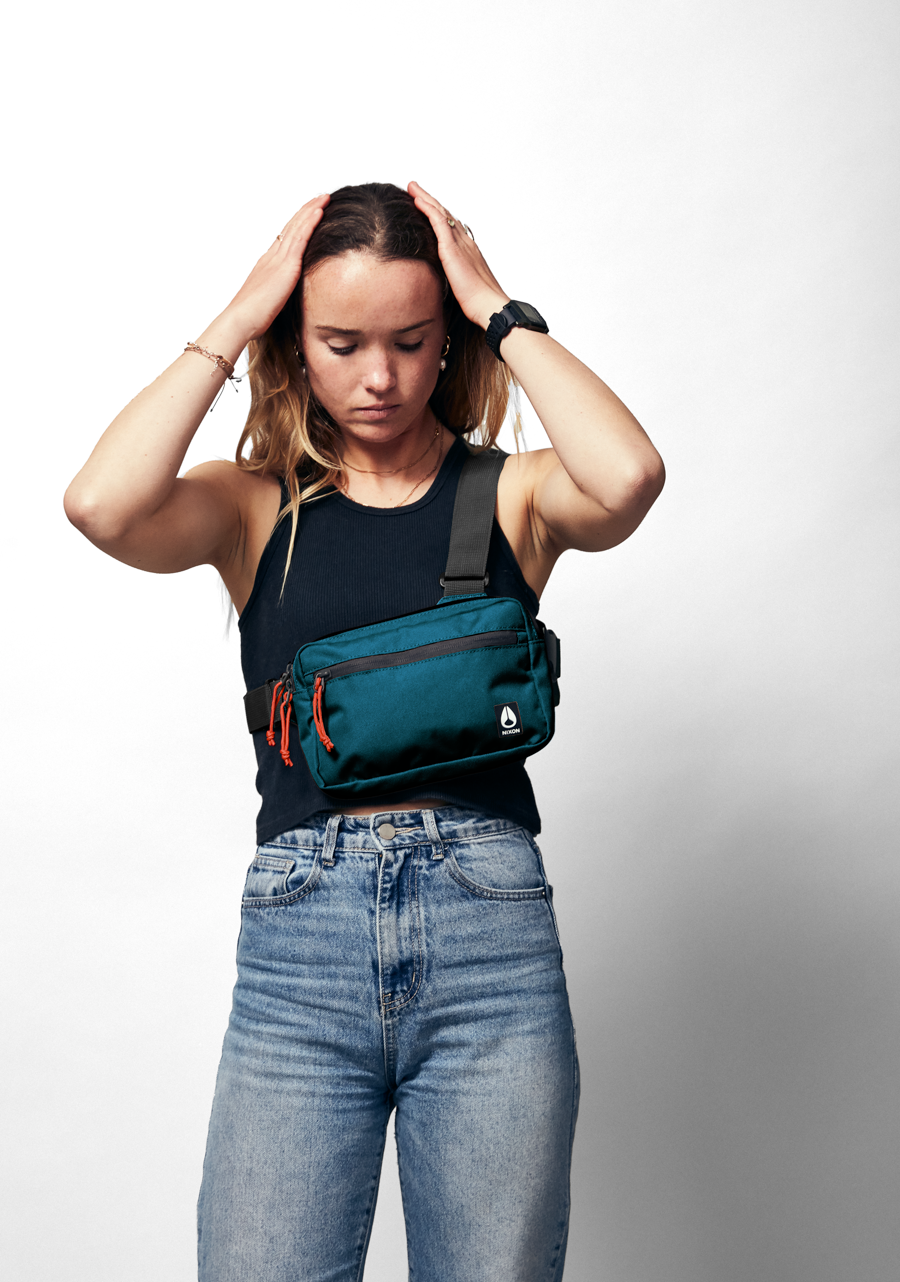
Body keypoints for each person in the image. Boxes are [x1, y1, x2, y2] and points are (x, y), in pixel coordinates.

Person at [65, 180, 664, 1281]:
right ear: (297, 346)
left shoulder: (515, 495)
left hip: (491, 945)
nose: (378, 376)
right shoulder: (256, 507)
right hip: (302, 949)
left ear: (450, 343)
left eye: (411, 340)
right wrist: (243, 310)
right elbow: (102, 504)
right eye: (341, 343)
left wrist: (499, 308)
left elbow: (628, 476)